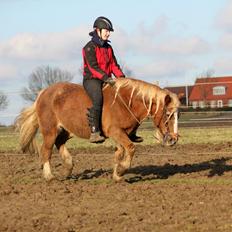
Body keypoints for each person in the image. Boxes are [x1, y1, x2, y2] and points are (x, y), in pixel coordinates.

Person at [82, 16, 143, 143]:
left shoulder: (108, 48)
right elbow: (93, 68)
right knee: (98, 98)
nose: (108, 34)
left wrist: (122, 79)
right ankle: (95, 131)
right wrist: (106, 78)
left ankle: (130, 132)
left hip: (107, 79)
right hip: (92, 80)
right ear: (98, 31)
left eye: (109, 31)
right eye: (106, 31)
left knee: (126, 96)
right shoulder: (89, 47)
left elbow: (114, 65)